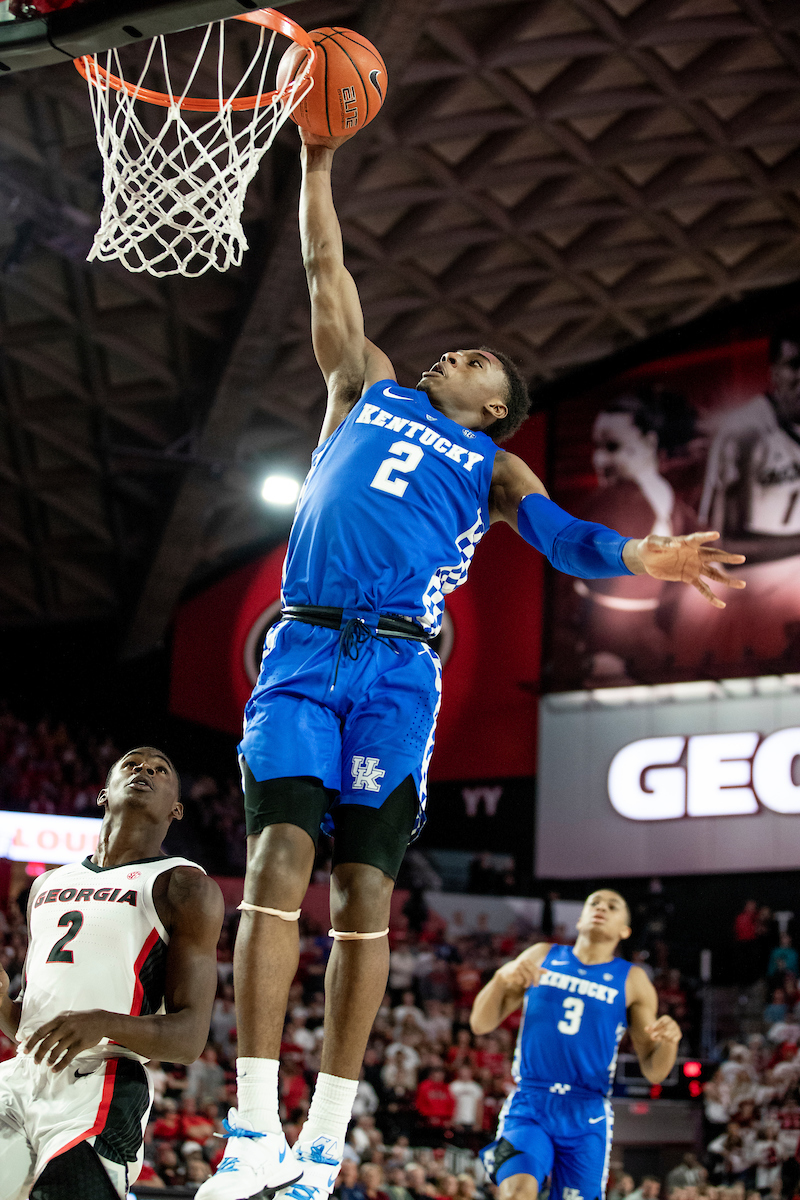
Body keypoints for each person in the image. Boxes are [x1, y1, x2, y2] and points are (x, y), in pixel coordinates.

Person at [196, 123, 745, 1200]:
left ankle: (324, 1143)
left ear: (494, 404)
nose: (454, 350)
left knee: (363, 894)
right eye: (453, 348)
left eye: (477, 360)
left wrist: (643, 552)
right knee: (275, 869)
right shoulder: (364, 386)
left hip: (400, 672)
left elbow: (561, 541)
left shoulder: (497, 464)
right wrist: (313, 166)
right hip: (305, 646)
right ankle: (251, 1130)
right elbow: (324, 269)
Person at [0, 747, 224, 1200]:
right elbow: (33, 1027)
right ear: (103, 793)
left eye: (161, 770)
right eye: (133, 765)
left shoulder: (183, 885)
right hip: (20, 1076)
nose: (145, 771)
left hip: (100, 1085)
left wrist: (103, 1024)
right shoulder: (46, 884)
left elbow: (189, 1039)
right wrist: (3, 1007)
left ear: (176, 809)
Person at [470, 890, 682, 1200]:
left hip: (587, 1111)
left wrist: (670, 1042)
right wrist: (502, 977)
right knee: (516, 1193)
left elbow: (654, 1071)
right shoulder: (541, 954)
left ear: (625, 930)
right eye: (594, 903)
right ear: (580, 919)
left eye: (613, 906)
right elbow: (480, 1023)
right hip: (531, 1101)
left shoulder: (632, 980)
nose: (601, 908)